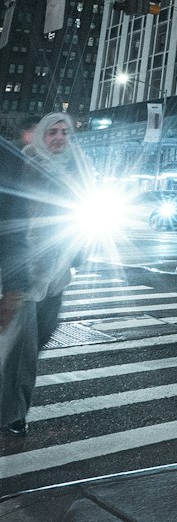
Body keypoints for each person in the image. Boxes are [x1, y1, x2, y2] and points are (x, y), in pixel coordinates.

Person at [1, 112, 82, 438]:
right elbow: (14, 219)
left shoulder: (72, 170)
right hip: (26, 267)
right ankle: (14, 414)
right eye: (52, 132)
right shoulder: (23, 165)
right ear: (39, 136)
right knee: (23, 348)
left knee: (40, 338)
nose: (60, 137)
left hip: (57, 270)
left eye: (65, 131)